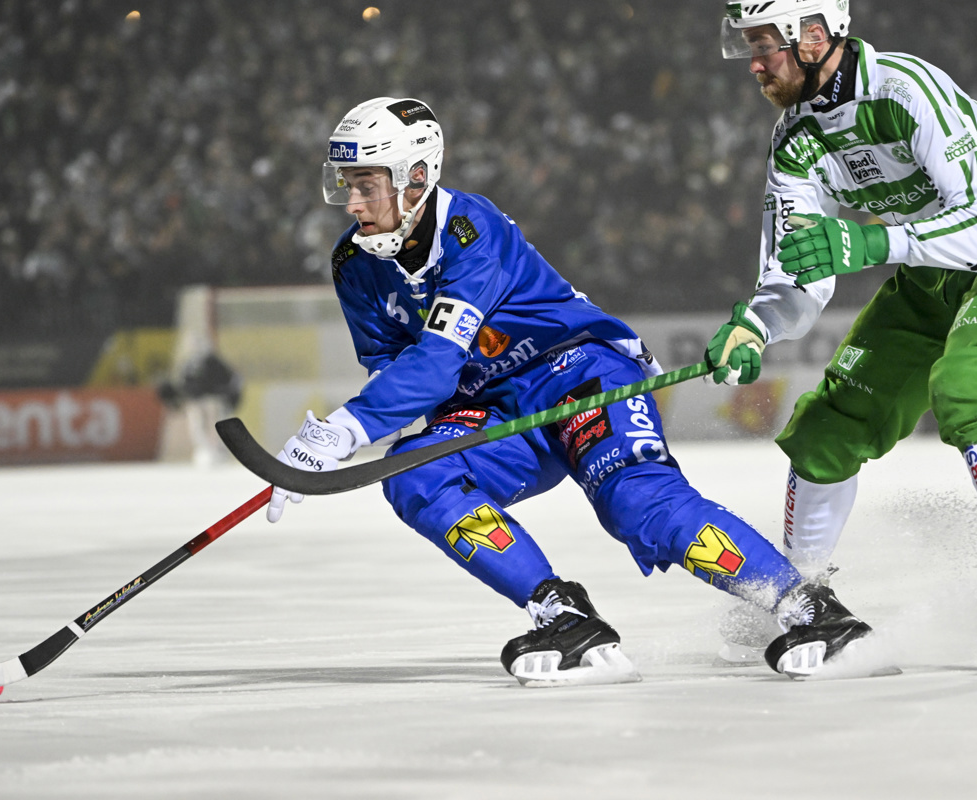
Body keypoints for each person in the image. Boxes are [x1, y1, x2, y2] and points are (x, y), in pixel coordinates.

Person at [266, 96, 878, 685]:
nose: (351, 201)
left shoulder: (471, 229)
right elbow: (395, 369)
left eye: (365, 184)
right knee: (413, 472)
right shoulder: (354, 264)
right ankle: (563, 617)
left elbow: (436, 360)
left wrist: (343, 429)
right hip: (493, 408)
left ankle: (808, 607)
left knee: (636, 502)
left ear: (417, 176)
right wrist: (353, 437)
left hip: (580, 373)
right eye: (345, 183)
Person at [704, 0, 977, 673]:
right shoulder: (794, 141)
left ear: (813, 35)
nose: (751, 63)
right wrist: (755, 325)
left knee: (969, 385)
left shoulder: (903, 89)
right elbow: (798, 269)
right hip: (932, 269)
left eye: (763, 46)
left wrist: (866, 239)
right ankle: (801, 597)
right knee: (827, 426)